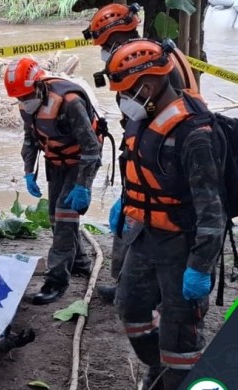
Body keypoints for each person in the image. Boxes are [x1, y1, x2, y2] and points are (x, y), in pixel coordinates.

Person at [101, 39, 226, 389]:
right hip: (144, 235)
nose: (122, 98)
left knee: (180, 333)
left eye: (126, 89)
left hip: (181, 245)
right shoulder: (143, 117)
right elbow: (138, 168)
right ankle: (155, 366)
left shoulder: (194, 134)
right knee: (130, 308)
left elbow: (211, 212)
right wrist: (126, 205)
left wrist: (200, 267)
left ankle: (179, 377)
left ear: (150, 84)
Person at [84, 2, 201, 303]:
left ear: (120, 34)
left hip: (165, 157)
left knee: (155, 223)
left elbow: (165, 121)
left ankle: (155, 294)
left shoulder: (153, 65)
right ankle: (127, 286)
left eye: (107, 44)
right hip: (147, 151)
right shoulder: (142, 58)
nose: (106, 50)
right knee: (134, 220)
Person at [5, 58, 102, 305]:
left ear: (39, 85)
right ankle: (79, 261)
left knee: (65, 216)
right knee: (54, 218)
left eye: (26, 96)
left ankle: (56, 280)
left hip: (80, 162)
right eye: (19, 98)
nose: (24, 102)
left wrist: (83, 184)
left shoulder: (70, 102)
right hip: (56, 162)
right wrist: (29, 171)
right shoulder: (27, 105)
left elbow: (91, 147)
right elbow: (30, 140)